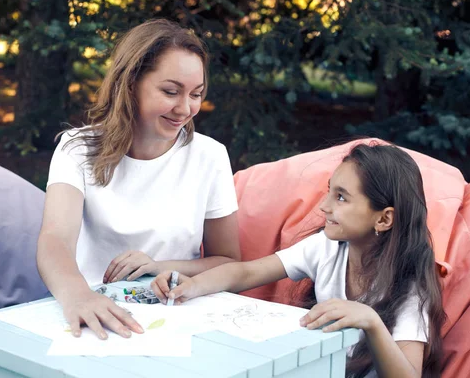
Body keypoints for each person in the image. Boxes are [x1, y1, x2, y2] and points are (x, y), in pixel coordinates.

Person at [152, 143, 445, 378]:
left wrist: (371, 322)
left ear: (383, 218)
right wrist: (190, 286)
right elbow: (245, 273)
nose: (324, 206)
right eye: (329, 191)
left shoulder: (407, 286)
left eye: (341, 198)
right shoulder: (327, 249)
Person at [36, 19, 241, 341]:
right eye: (170, 91)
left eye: (196, 94)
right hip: (87, 308)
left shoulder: (210, 156)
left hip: (174, 313)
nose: (185, 108)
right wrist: (79, 296)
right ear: (130, 83)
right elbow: (55, 240)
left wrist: (158, 265)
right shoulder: (76, 148)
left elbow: (228, 261)